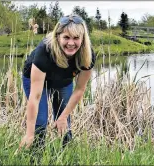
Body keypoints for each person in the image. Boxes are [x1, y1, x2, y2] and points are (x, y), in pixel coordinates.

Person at [19, 15, 96, 150]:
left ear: (83, 39)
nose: (71, 43)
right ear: (57, 36)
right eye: (66, 37)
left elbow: (80, 89)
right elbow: (35, 97)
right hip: (36, 80)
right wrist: (29, 134)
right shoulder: (45, 50)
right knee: (40, 122)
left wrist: (63, 117)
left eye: (76, 38)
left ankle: (66, 154)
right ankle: (35, 155)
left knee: (64, 120)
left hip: (63, 81)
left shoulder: (87, 55)